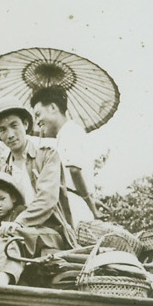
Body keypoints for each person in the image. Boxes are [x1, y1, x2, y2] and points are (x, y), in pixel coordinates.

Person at [0, 96, 76, 286]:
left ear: (26, 124)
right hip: (22, 232)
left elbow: (47, 200)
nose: (10, 134)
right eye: (3, 129)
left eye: (14, 125)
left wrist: (18, 223)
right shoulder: (6, 169)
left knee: (11, 238)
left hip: (51, 232)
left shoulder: (47, 154)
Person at [30, 86, 100, 221]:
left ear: (52, 108)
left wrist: (90, 203)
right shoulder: (62, 137)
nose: (37, 121)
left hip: (74, 206)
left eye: (38, 114)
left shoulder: (71, 131)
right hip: (69, 204)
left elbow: (74, 170)